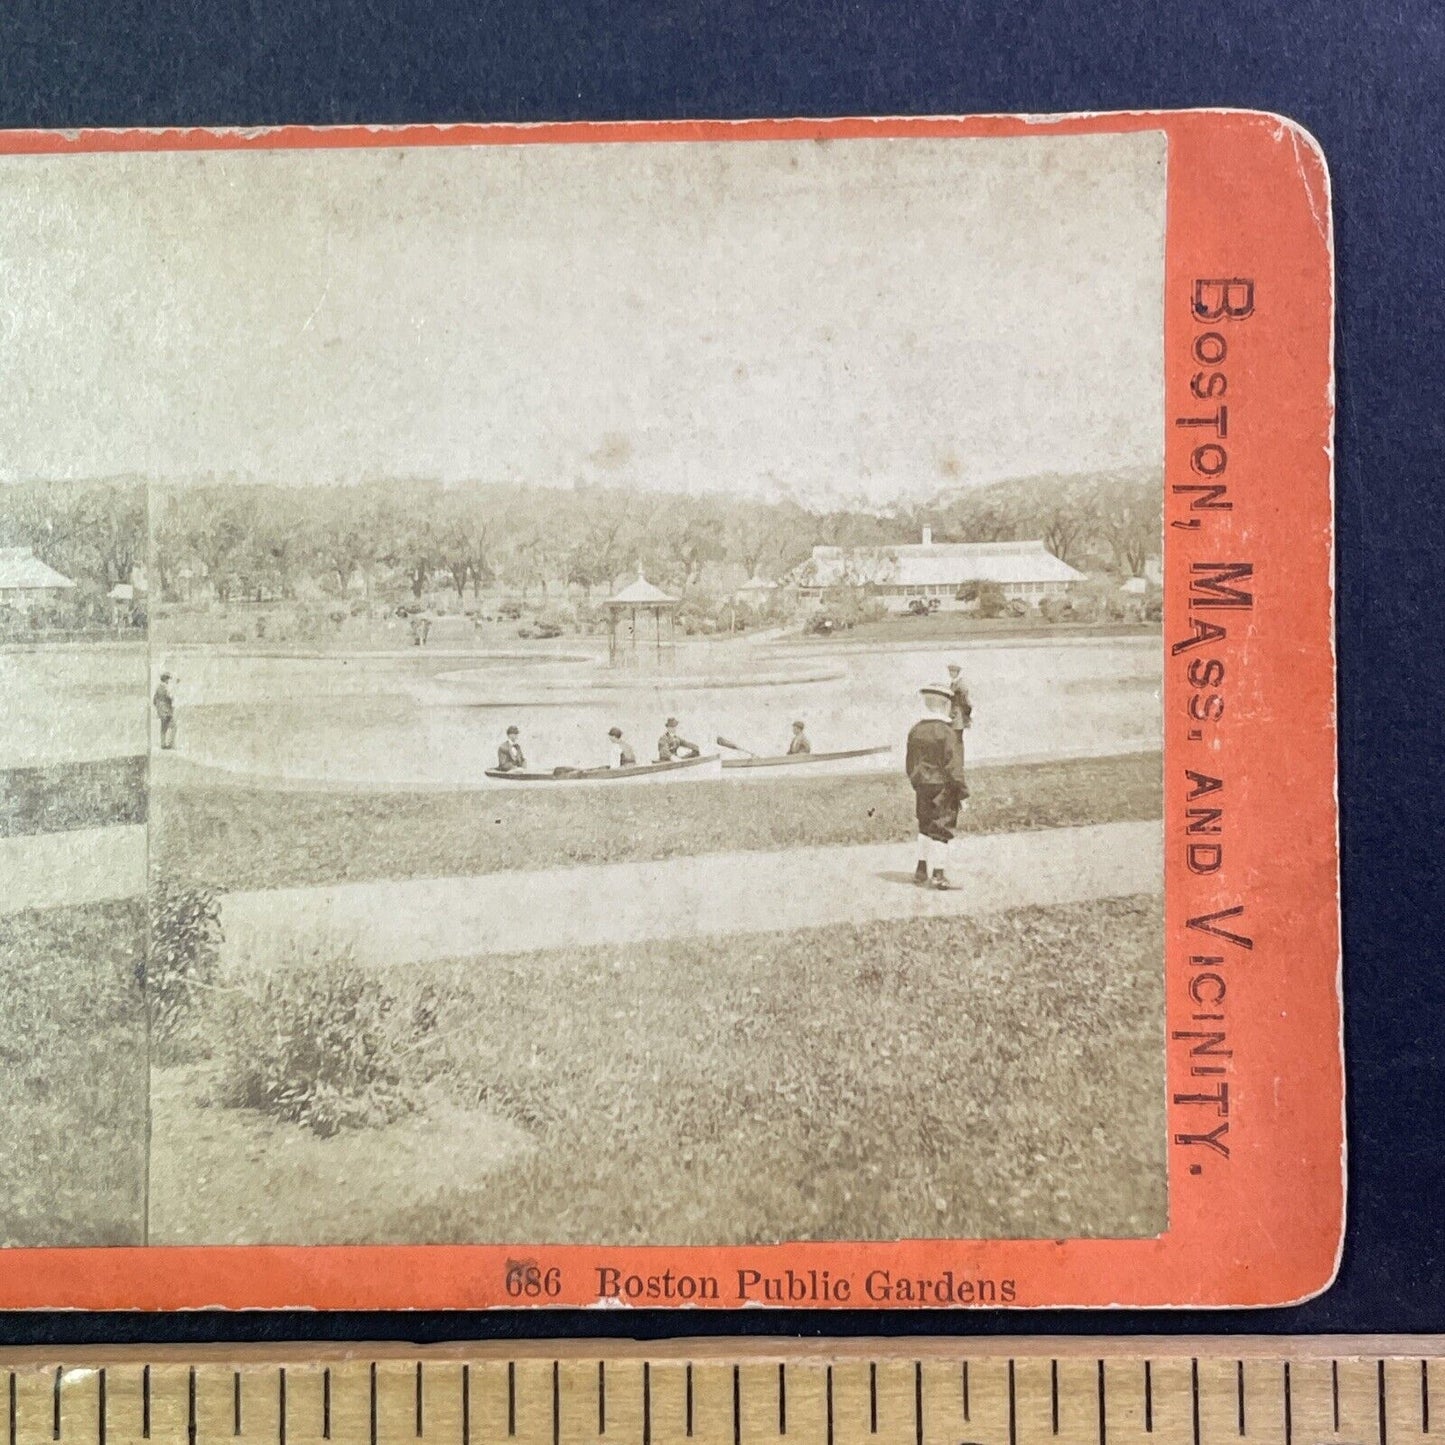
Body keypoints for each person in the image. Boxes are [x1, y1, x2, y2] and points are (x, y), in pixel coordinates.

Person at [905, 682, 969, 890]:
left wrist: (917, 782)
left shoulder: (915, 731)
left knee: (924, 826)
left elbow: (910, 764)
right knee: (942, 829)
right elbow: (953, 766)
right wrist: (961, 792)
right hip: (944, 787)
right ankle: (938, 874)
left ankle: (920, 869)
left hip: (922, 785)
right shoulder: (947, 733)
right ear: (944, 705)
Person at [153, 672, 177, 750]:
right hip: (167, 711)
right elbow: (170, 697)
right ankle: (170, 744)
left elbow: (154, 700)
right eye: (168, 679)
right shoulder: (165, 687)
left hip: (161, 711)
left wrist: (158, 708)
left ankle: (163, 744)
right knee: (174, 726)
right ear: (166, 679)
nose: (168, 681)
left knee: (163, 728)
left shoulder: (158, 688)